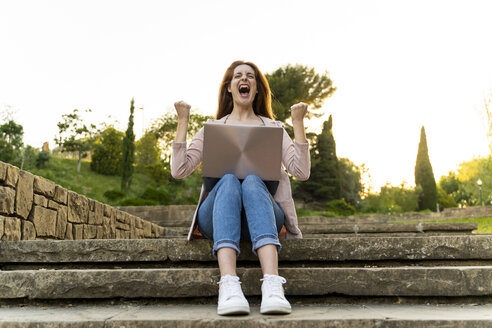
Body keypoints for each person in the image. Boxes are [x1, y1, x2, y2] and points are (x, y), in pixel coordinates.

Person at [171, 60, 310, 315]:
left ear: (256, 88)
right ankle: (229, 285)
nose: (244, 79)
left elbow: (300, 171)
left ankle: (272, 285)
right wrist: (183, 122)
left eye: (250, 76)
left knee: (254, 181)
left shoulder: (273, 127)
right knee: (228, 180)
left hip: (264, 216)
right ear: (229, 88)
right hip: (218, 216)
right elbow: (179, 170)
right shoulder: (212, 128)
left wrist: (298, 124)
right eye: (238, 76)